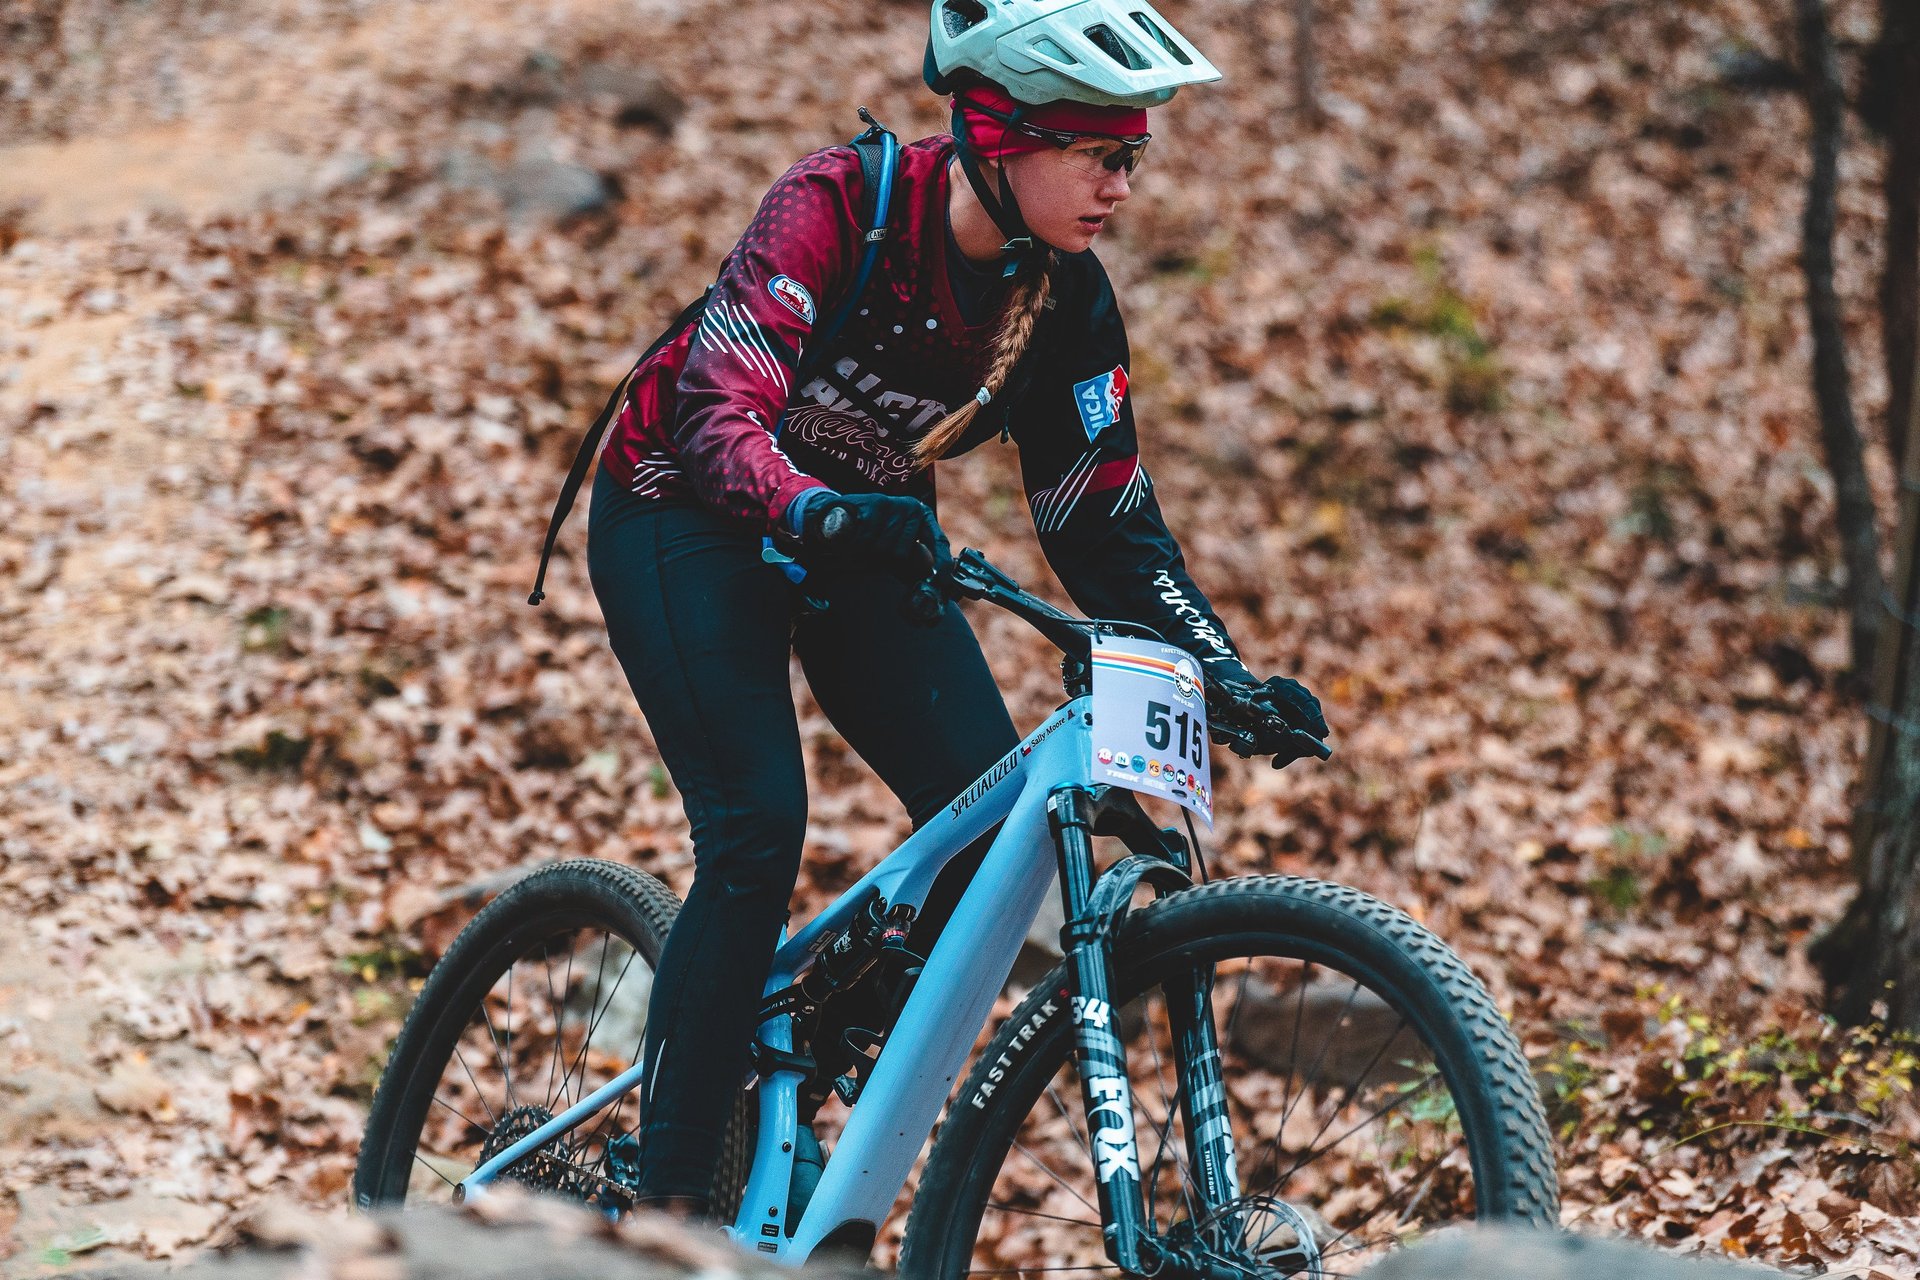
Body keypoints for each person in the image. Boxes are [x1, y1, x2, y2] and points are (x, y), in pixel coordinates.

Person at [583, 0, 1330, 1220]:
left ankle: (809, 1045)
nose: (1121, 185)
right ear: (1001, 132)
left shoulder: (1065, 301)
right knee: (759, 828)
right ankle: (664, 1214)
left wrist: (1221, 669)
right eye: (1098, 154)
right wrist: (815, 509)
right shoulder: (839, 207)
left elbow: (1103, 522)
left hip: (867, 531)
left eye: (1133, 158)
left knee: (989, 834)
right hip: (683, 509)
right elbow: (718, 410)